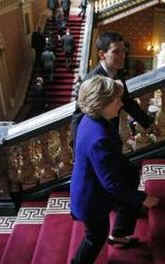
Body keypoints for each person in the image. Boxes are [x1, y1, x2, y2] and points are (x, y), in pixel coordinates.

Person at [71, 31, 159, 245]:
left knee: (128, 173)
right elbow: (78, 117)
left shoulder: (117, 77)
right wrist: (79, 150)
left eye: (124, 51)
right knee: (119, 178)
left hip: (108, 138)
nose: (122, 57)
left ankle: (125, 214)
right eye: (116, 52)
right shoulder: (93, 81)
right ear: (101, 55)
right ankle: (122, 223)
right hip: (99, 142)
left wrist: (148, 123)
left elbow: (127, 102)